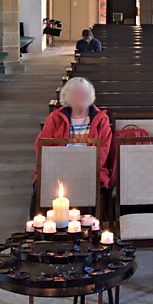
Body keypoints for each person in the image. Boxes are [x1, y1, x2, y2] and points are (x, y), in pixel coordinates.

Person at [30, 76, 112, 216]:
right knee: (41, 186)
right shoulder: (56, 118)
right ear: (67, 97)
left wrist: (86, 168)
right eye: (75, 94)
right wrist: (55, 166)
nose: (80, 97)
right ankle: (41, 229)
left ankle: (83, 229)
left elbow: (103, 150)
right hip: (57, 167)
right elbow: (42, 144)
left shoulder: (101, 119)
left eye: (83, 93)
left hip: (89, 168)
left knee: (84, 186)